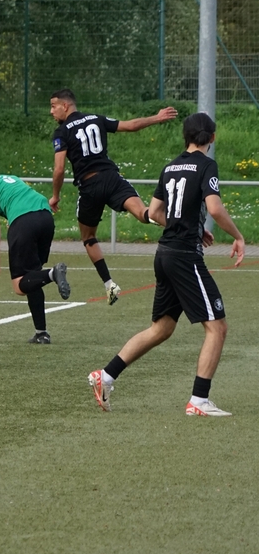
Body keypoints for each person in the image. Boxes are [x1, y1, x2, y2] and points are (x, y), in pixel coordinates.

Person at [88, 113, 245, 416]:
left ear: (185, 137)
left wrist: (188, 227)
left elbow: (153, 212)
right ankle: (199, 400)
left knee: (161, 328)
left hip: (164, 254)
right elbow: (214, 208)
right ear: (212, 138)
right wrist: (237, 236)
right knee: (217, 327)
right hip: (185, 256)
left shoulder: (170, 167)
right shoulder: (206, 165)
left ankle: (105, 376)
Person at [48, 89, 178, 304]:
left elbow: (59, 169)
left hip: (89, 186)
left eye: (53, 106)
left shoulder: (61, 132)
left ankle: (109, 284)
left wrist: (55, 196)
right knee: (144, 213)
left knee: (88, 238)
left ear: (65, 105)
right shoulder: (96, 119)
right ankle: (185, 228)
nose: (51, 111)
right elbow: (130, 125)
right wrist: (157, 117)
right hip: (111, 179)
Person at [0, 162, 71, 344]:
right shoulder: (8, 179)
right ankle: (41, 333)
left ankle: (53, 274)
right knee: (33, 277)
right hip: (45, 216)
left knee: (20, 285)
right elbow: (19, 197)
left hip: (24, 220)